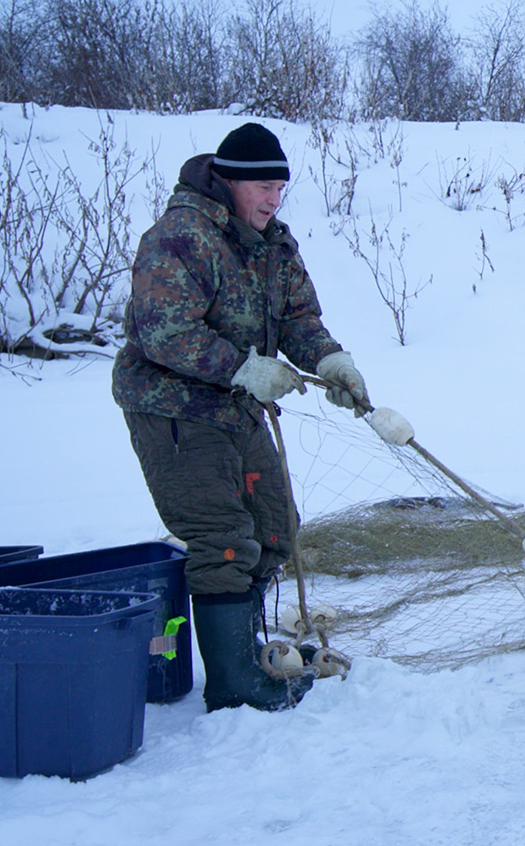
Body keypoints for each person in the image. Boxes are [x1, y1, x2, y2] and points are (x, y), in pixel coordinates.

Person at [112, 122, 370, 712]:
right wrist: (245, 368)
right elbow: (163, 331)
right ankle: (233, 683)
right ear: (229, 182)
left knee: (275, 529)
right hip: (172, 409)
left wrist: (330, 361)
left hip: (236, 407)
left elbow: (301, 318)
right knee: (223, 540)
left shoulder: (274, 245)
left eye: (281, 187)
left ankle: (250, 650)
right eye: (263, 187)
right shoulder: (180, 237)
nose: (274, 199)